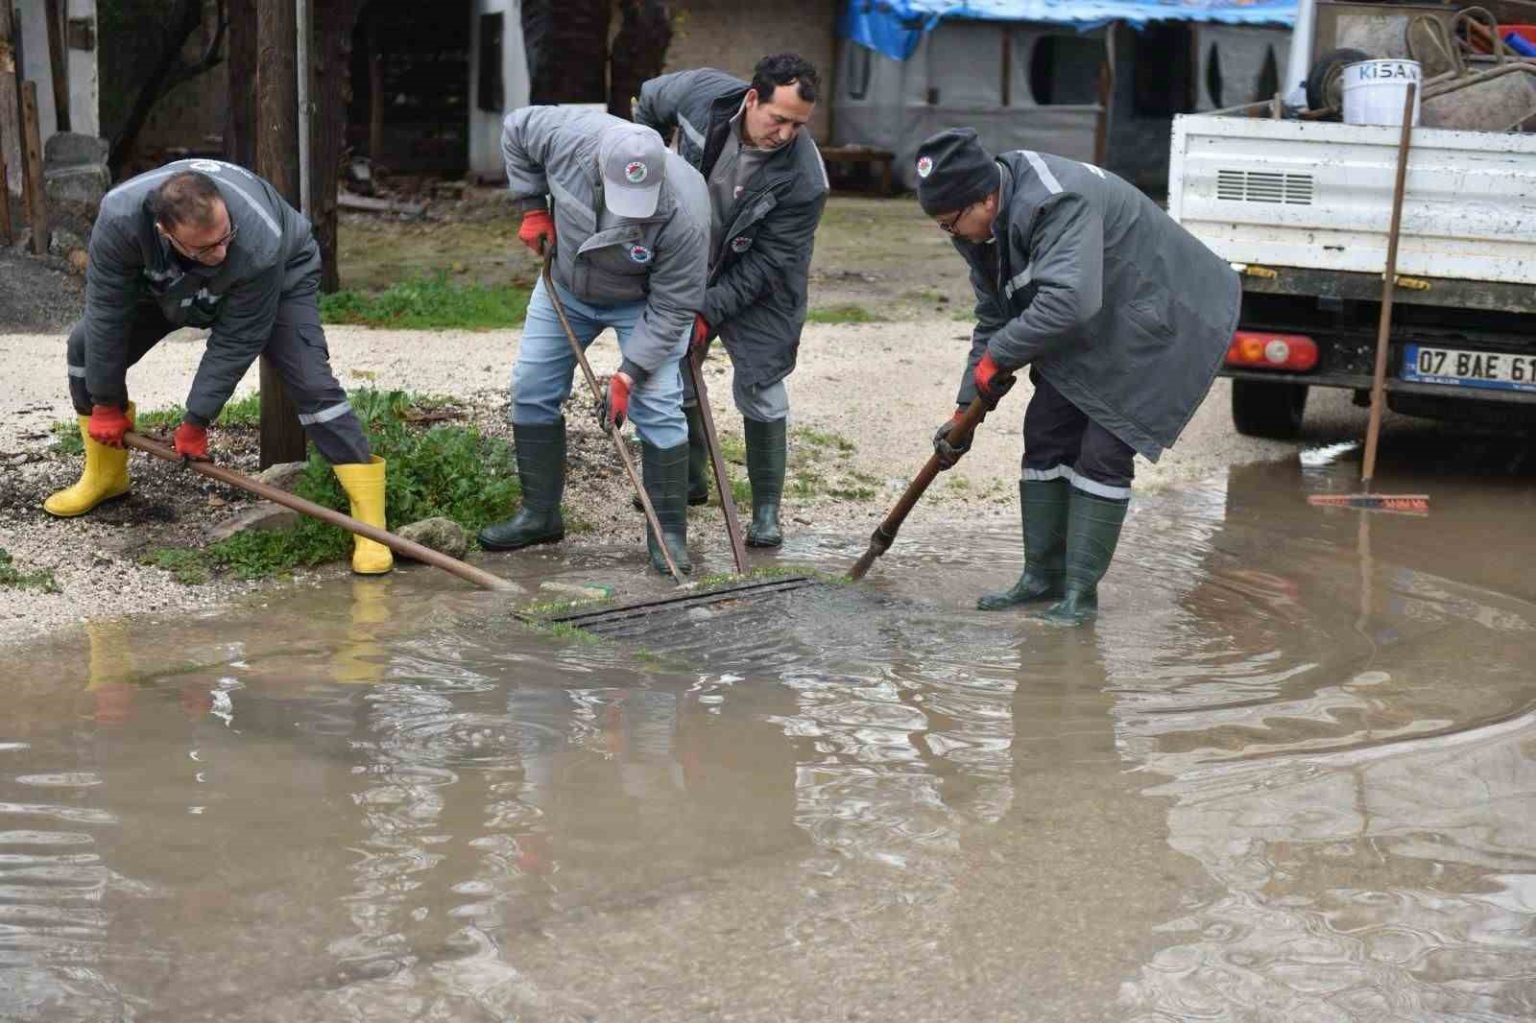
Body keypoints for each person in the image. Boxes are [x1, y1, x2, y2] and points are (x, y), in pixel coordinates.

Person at [915, 128, 1240, 623]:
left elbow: (1070, 300)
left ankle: (1079, 596)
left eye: (951, 224)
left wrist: (999, 356)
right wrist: (966, 407)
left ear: (984, 197)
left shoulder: (1054, 200)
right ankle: (1041, 578)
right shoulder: (979, 225)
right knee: (1045, 433)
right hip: (1099, 315)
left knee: (1102, 451)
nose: (952, 235)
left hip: (1165, 314)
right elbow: (995, 314)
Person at [44, 160, 392, 575]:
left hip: (278, 274)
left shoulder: (256, 242)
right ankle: (106, 477)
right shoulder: (119, 220)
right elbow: (107, 312)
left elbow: (237, 339)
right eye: (207, 248)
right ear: (164, 231)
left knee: (312, 384)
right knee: (85, 349)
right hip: (169, 279)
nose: (221, 252)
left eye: (225, 237)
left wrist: (196, 420)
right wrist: (104, 403)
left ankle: (370, 523)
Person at [477, 109, 709, 574]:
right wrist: (533, 206)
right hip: (566, 286)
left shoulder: (687, 211)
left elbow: (673, 308)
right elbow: (514, 129)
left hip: (641, 301)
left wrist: (629, 375)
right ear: (599, 167)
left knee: (659, 407)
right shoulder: (566, 137)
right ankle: (540, 515)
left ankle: (668, 536)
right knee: (531, 387)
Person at [634, 53, 828, 547]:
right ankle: (689, 480)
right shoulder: (701, 95)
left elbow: (769, 264)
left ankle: (766, 512)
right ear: (752, 99)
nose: (785, 133)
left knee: (762, 383)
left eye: (798, 125)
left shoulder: (806, 178)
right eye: (778, 119)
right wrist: (645, 165)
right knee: (673, 367)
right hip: (690, 255)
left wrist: (707, 309)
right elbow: (648, 101)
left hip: (762, 281)